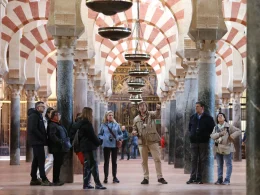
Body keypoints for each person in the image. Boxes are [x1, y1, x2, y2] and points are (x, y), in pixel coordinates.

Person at [132, 101, 167, 185]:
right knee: (144, 161)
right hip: (142, 141)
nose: (142, 107)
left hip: (152, 140)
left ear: (146, 106)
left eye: (143, 105)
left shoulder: (151, 114)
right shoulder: (136, 119)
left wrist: (158, 109)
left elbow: (157, 114)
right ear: (138, 108)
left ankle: (160, 177)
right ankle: (146, 177)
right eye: (140, 106)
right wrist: (134, 132)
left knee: (157, 159)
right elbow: (134, 128)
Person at [74, 107, 106, 190]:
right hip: (88, 147)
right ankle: (98, 183)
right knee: (93, 165)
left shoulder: (80, 123)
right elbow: (92, 136)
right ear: (88, 113)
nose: (92, 115)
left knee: (87, 166)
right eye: (91, 113)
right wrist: (99, 142)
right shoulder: (87, 124)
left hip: (84, 147)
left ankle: (86, 184)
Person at [186, 101, 215, 184]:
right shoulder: (192, 117)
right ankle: (192, 177)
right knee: (194, 159)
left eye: (198, 106)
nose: (196, 108)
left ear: (202, 108)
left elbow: (212, 129)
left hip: (203, 142)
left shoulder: (208, 118)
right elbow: (190, 127)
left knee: (202, 160)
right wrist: (192, 135)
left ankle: (199, 177)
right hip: (194, 141)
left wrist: (206, 136)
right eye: (196, 106)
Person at [210, 112, 241, 185]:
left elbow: (239, 131)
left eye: (221, 116)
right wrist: (219, 134)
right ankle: (219, 179)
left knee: (228, 164)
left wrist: (232, 136)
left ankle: (227, 180)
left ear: (224, 118)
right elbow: (212, 136)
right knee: (219, 165)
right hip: (218, 148)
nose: (219, 117)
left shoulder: (229, 126)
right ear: (217, 119)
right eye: (218, 116)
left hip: (227, 148)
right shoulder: (216, 127)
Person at [27, 101, 51, 186]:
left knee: (37, 160)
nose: (44, 108)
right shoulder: (34, 116)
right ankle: (43, 178)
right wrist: (42, 137)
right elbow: (33, 129)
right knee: (41, 160)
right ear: (37, 107)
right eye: (42, 106)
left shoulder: (38, 115)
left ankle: (34, 178)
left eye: (44, 107)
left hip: (38, 141)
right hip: (37, 141)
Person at [98, 110, 123, 184]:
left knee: (114, 162)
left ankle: (114, 177)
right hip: (106, 145)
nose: (111, 116)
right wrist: (104, 138)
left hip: (114, 145)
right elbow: (99, 134)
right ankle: (105, 177)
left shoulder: (116, 125)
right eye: (109, 115)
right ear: (106, 117)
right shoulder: (103, 125)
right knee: (106, 162)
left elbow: (121, 134)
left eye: (112, 115)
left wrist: (117, 138)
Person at [48, 110, 70, 186]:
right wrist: (60, 141)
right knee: (57, 164)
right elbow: (52, 136)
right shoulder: (52, 125)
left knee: (59, 163)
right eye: (57, 115)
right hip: (57, 148)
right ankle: (55, 180)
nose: (58, 117)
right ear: (53, 116)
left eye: (59, 115)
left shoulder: (58, 124)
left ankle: (57, 179)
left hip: (61, 147)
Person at [37, 107, 54, 179]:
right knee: (49, 160)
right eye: (52, 113)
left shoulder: (50, 122)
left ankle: (40, 174)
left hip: (50, 143)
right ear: (48, 113)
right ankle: (40, 174)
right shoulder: (45, 121)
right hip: (46, 143)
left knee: (51, 160)